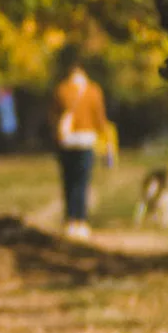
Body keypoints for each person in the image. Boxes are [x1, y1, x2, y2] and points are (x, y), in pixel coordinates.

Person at [49, 48, 109, 241]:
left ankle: (69, 220)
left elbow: (53, 116)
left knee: (68, 181)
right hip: (85, 140)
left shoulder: (61, 89)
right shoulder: (93, 91)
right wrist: (105, 139)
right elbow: (100, 119)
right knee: (82, 182)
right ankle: (81, 221)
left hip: (66, 141)